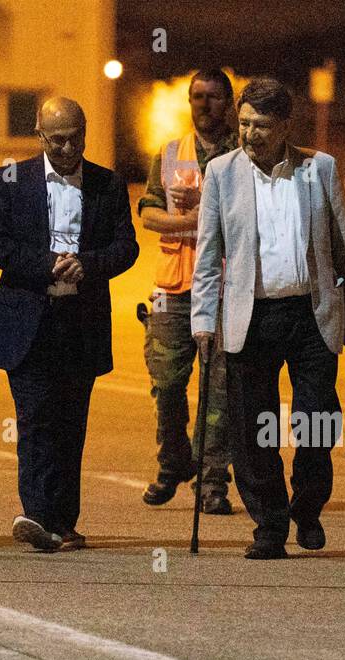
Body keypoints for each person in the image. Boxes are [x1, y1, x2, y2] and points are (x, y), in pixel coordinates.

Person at [191, 77, 345, 559]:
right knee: (252, 428)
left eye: (262, 125)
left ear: (286, 125)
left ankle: (306, 507)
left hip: (311, 314)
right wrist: (204, 321)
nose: (250, 133)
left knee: (317, 420)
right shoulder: (222, 173)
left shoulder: (320, 168)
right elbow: (209, 256)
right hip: (251, 316)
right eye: (244, 123)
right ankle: (268, 525)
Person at [0, 97, 138, 552]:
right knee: (34, 420)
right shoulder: (12, 179)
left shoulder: (107, 184)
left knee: (71, 424)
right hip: (29, 318)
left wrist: (87, 265)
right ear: (40, 136)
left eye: (76, 137)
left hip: (80, 322)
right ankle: (36, 515)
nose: (68, 148)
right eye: (57, 139)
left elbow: (126, 247)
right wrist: (47, 265)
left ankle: (64, 521)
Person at [137, 68, 237, 516]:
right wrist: (195, 222)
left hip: (226, 286)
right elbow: (148, 214)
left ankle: (213, 480)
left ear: (228, 102)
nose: (204, 104)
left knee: (219, 389)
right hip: (173, 285)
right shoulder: (171, 151)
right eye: (197, 96)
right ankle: (173, 459)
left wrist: (210, 214)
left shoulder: (242, 154)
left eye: (214, 97)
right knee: (166, 381)